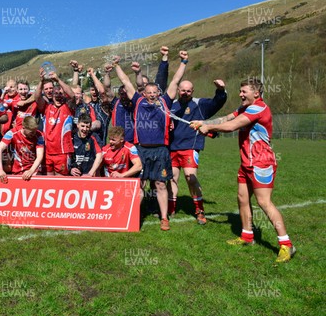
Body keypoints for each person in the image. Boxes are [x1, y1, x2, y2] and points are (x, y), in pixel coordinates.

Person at [191, 78, 295, 263]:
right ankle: (247, 236)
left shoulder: (258, 108)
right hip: (247, 162)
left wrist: (209, 127)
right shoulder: (245, 108)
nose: (240, 94)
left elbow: (231, 126)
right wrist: (202, 122)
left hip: (261, 163)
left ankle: (286, 244)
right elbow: (227, 118)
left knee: (264, 202)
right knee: (242, 198)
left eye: (243, 91)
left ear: (256, 93)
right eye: (240, 91)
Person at [116, 50, 188, 231]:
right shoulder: (138, 102)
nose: (152, 95)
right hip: (141, 150)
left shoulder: (165, 102)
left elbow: (175, 81)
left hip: (161, 151)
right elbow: (125, 81)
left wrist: (184, 62)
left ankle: (164, 218)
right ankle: (132, 216)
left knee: (160, 184)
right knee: (139, 184)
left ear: (158, 93)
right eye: (149, 92)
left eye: (155, 92)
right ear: (144, 93)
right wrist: (117, 65)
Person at [167, 79, 227, 224]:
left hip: (190, 147)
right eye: (182, 90)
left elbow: (217, 103)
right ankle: (171, 208)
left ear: (192, 91)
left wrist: (220, 90)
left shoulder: (200, 104)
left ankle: (199, 210)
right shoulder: (171, 105)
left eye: (188, 91)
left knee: (190, 178)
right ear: (178, 90)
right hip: (172, 148)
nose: (185, 93)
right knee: (172, 178)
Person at [34, 68, 76, 175]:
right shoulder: (46, 107)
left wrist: (58, 79)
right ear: (51, 95)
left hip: (63, 152)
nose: (57, 95)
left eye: (60, 93)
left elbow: (72, 95)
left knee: (61, 182)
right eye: (55, 93)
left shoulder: (68, 107)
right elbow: (37, 97)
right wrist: (41, 81)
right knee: (49, 182)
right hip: (48, 151)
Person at [0, 116, 45, 183]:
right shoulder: (12, 133)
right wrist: (0, 169)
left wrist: (31, 170)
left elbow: (40, 155)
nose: (34, 134)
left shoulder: (39, 135)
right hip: (17, 170)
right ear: (23, 127)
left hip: (34, 171)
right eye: (31, 132)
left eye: (35, 131)